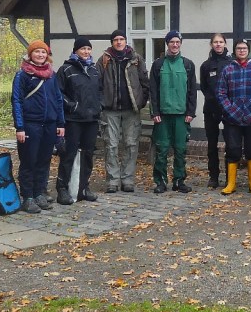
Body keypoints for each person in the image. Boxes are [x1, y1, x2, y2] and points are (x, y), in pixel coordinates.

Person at [12, 40, 66, 214]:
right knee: (29, 161)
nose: (41, 55)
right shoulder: (22, 75)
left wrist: (60, 123)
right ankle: (27, 196)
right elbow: (17, 101)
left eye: (43, 52)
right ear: (30, 54)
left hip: (49, 125)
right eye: (37, 52)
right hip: (30, 125)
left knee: (44, 161)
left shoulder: (52, 75)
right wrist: (19, 127)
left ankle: (39, 193)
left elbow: (58, 99)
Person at [98, 30, 151, 193]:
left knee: (131, 144)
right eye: (115, 40)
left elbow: (145, 82)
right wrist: (101, 102)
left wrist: (141, 101)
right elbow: (97, 83)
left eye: (121, 39)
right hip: (110, 110)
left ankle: (127, 179)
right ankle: (112, 181)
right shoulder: (104, 59)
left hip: (131, 109)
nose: (119, 42)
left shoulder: (136, 58)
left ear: (126, 41)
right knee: (111, 145)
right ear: (112, 42)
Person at [148, 30, 197, 194]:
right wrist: (154, 112)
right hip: (162, 115)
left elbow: (192, 91)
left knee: (180, 149)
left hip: (182, 115)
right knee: (161, 150)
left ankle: (179, 180)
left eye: (177, 42)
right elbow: (153, 91)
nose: (175, 45)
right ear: (167, 44)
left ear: (180, 44)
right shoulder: (158, 64)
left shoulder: (188, 64)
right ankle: (160, 182)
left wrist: (191, 111)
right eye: (172, 42)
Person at [54, 36, 101, 204]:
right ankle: (63, 188)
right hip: (73, 119)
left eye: (88, 49)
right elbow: (59, 93)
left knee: (88, 155)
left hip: (91, 119)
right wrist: (72, 106)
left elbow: (99, 91)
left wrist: (98, 107)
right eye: (83, 49)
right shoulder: (66, 69)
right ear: (76, 51)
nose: (86, 52)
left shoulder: (94, 70)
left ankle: (83, 187)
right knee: (69, 154)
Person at [216, 39, 251, 194]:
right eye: (239, 48)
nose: (242, 51)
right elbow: (221, 93)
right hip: (232, 119)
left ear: (248, 50)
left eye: (244, 48)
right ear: (234, 51)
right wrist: (231, 110)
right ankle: (231, 183)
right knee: (233, 150)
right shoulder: (227, 70)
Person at [200, 33, 233, 188]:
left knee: (230, 144)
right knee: (212, 145)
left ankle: (229, 177)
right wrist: (213, 102)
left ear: (225, 44)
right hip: (211, 110)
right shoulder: (206, 65)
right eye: (215, 42)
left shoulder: (232, 63)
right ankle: (213, 176)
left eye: (221, 42)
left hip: (229, 110)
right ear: (211, 44)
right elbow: (205, 88)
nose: (218, 44)